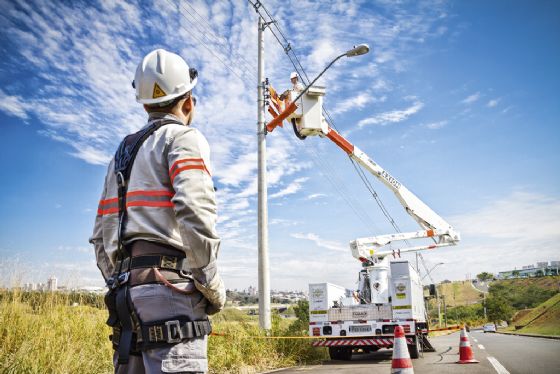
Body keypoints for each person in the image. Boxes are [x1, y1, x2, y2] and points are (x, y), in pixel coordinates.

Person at [90, 48, 226, 373]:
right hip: (171, 291)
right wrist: (210, 284)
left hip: (126, 295)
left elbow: (100, 237)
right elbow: (194, 213)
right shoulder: (183, 138)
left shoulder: (122, 154)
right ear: (188, 102)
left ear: (145, 103)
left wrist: (121, 279)